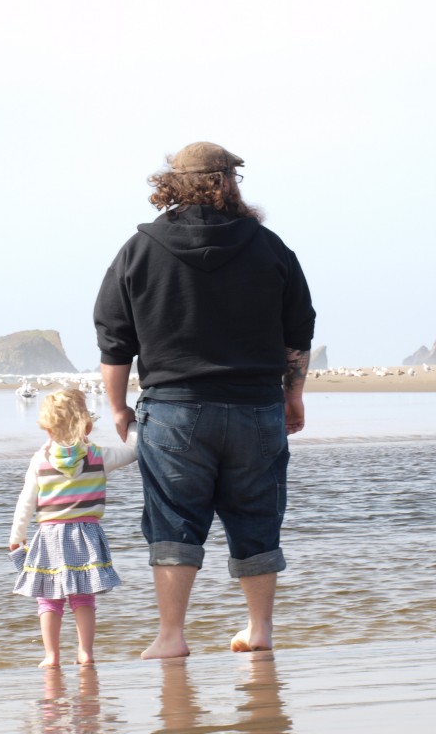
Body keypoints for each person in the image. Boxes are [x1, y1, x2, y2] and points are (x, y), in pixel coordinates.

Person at [93, 141, 315, 659]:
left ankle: (171, 637)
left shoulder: (139, 248)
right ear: (228, 182)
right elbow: (298, 329)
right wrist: (294, 394)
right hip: (256, 404)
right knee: (257, 516)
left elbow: (114, 336)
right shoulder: (269, 246)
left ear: (173, 184)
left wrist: (119, 407)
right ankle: (259, 630)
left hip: (173, 409)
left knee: (172, 521)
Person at [8, 388, 137, 667]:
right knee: (83, 597)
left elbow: (26, 500)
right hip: (86, 535)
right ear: (88, 425)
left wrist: (17, 536)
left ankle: (51, 656)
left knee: (49, 598)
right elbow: (133, 451)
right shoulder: (98, 456)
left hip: (49, 536)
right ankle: (85, 653)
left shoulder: (40, 459)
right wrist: (133, 425)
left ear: (47, 428)